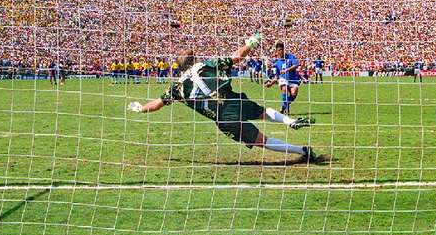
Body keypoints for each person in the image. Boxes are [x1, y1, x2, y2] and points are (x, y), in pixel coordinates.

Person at [129, 33, 323, 163]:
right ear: (194, 60)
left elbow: (156, 105)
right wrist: (250, 43)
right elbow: (236, 57)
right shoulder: (205, 65)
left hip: (223, 118)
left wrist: (141, 108)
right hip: (232, 100)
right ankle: (290, 121)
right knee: (264, 112)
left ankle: (302, 151)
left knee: (261, 140)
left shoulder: (177, 88)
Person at [266, 41, 302, 115]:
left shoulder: (291, 56)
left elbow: (296, 65)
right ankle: (286, 109)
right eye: (278, 50)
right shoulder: (276, 62)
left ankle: (284, 106)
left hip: (293, 79)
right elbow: (277, 76)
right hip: (283, 79)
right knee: (284, 89)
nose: (280, 51)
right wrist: (271, 83)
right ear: (276, 51)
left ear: (284, 49)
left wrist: (286, 70)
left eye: (281, 49)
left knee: (293, 94)